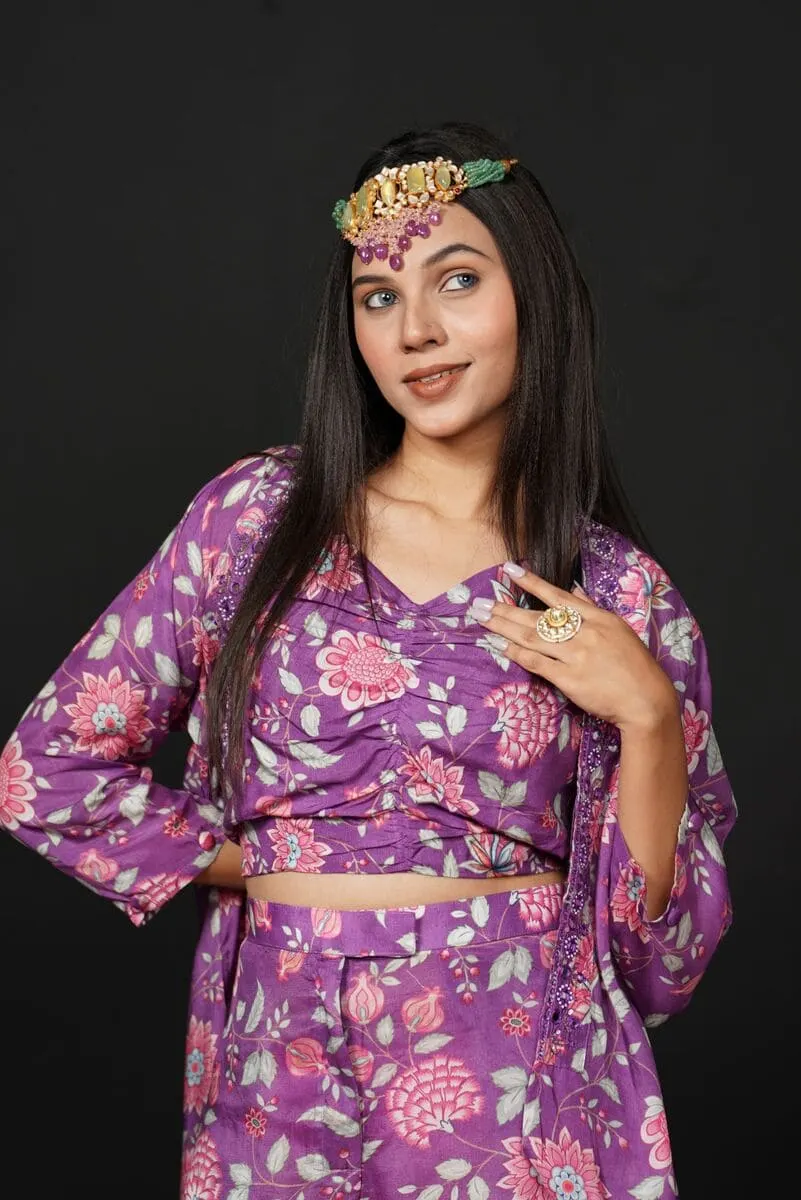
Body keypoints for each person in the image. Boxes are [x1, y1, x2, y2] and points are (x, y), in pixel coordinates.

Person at [0, 121, 736, 1199]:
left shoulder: (616, 593)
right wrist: (270, 865)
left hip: (515, 1082)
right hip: (281, 1066)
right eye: (378, 297)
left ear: (535, 292)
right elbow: (45, 770)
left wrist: (651, 718)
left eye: (458, 280)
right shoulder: (257, 521)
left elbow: (660, 965)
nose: (417, 330)